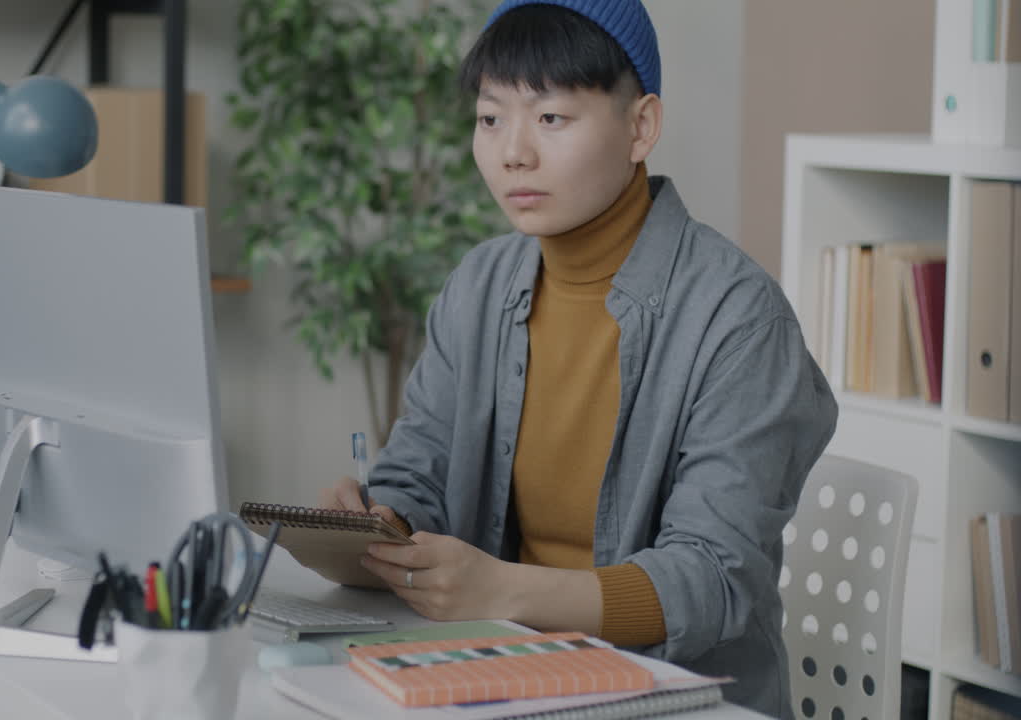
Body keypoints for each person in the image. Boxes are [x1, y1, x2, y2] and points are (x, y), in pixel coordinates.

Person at [317, 1, 837, 717]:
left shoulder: (738, 316)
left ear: (641, 126)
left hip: (672, 699)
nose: (513, 152)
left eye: (551, 118)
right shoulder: (478, 285)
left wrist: (502, 589)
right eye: (491, 118)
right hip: (497, 675)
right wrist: (371, 524)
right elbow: (419, 476)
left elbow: (713, 577)